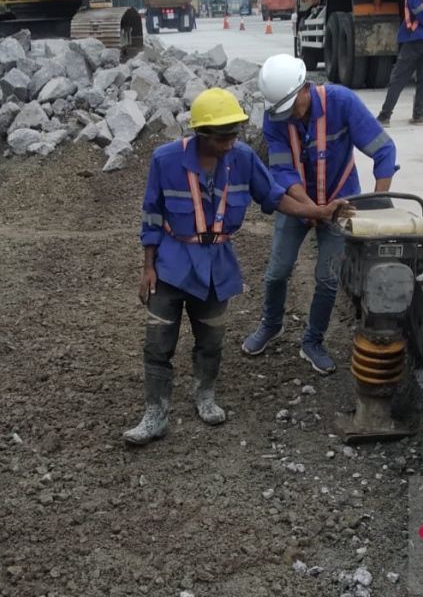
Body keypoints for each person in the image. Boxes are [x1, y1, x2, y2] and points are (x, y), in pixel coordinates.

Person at [126, 88, 351, 446]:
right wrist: (147, 267)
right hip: (170, 265)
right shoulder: (165, 160)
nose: (231, 142)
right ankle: (155, 413)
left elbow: (275, 197)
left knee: (211, 339)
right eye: (222, 136)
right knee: (157, 343)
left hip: (217, 266)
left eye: (234, 134)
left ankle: (205, 396)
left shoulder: (242, 158)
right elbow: (151, 215)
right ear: (201, 135)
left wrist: (318, 212)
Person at [241, 54, 398, 375]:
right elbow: (283, 172)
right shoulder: (276, 117)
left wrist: (377, 202)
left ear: (304, 89)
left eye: (293, 108)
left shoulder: (342, 102)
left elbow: (384, 149)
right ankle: (271, 325)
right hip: (299, 203)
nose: (290, 117)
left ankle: (313, 341)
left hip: (342, 202)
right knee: (277, 270)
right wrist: (311, 209)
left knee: (327, 278)